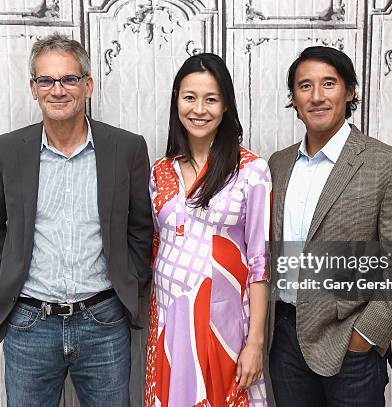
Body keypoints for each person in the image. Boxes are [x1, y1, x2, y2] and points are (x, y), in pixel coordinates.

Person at [0, 33, 153, 406]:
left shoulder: (127, 148)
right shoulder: (5, 150)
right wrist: (11, 274)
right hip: (29, 324)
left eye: (68, 79)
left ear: (87, 85)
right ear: (33, 88)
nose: (58, 90)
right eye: (46, 80)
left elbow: (141, 226)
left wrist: (128, 281)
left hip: (104, 321)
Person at [267, 46, 392, 406]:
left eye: (329, 84)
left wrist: (365, 336)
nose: (317, 96)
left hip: (349, 345)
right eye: (305, 86)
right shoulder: (278, 165)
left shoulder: (391, 165)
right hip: (285, 341)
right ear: (294, 99)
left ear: (349, 92)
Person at [144, 53, 271, 407]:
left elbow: (260, 263)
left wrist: (255, 341)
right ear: (176, 100)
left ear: (226, 105)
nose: (199, 109)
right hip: (171, 320)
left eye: (211, 99)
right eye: (190, 97)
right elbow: (156, 247)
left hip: (226, 326)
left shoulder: (251, 170)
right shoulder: (159, 172)